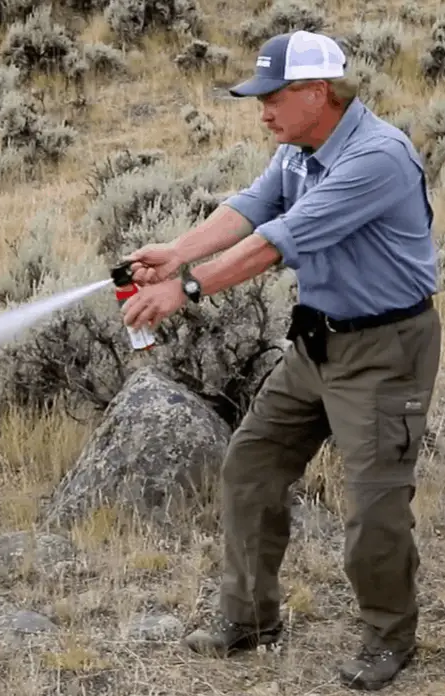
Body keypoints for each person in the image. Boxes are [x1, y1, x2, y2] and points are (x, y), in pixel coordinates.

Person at [120, 30, 441, 691]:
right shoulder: (298, 149)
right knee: (250, 465)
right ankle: (248, 620)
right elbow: (249, 209)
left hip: (385, 352)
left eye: (270, 97)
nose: (260, 110)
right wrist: (178, 250)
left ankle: (389, 638)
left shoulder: (376, 156)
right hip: (315, 344)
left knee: (373, 505)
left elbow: (274, 244)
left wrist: (182, 290)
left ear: (316, 93)